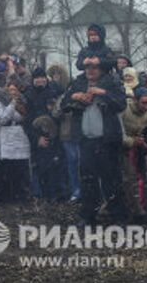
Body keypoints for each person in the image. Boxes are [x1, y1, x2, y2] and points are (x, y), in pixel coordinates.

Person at [62, 55, 127, 227]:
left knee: (111, 179)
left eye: (95, 67)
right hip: (85, 140)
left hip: (107, 140)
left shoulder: (111, 82)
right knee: (87, 179)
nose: (90, 70)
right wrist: (75, 96)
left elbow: (122, 104)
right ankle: (88, 216)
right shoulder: (77, 83)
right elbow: (64, 104)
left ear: (102, 69)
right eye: (87, 67)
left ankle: (118, 216)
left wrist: (103, 93)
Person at [24, 68, 64, 200]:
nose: (40, 80)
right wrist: (36, 138)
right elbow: (26, 121)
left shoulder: (53, 92)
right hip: (35, 135)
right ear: (33, 80)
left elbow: (58, 114)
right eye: (37, 78)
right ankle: (38, 194)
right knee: (37, 166)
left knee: (54, 165)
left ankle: (54, 194)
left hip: (53, 134)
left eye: (42, 77)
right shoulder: (28, 95)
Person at [0, 82, 31, 203]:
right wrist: (12, 104)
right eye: (10, 90)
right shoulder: (0, 103)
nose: (13, 92)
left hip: (21, 136)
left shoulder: (24, 103)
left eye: (15, 90)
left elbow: (25, 118)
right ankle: (4, 196)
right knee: (6, 167)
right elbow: (3, 119)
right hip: (6, 137)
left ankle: (20, 195)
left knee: (20, 168)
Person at [122, 87, 147, 220]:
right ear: (136, 101)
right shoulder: (124, 110)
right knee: (129, 179)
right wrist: (132, 141)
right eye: (144, 103)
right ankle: (131, 209)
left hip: (140, 149)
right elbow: (119, 132)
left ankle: (139, 207)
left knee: (140, 177)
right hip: (124, 150)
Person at [49, 65, 80, 202]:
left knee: (82, 164)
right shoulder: (63, 97)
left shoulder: (82, 97)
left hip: (81, 135)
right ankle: (75, 191)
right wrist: (64, 108)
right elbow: (55, 113)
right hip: (66, 135)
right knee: (71, 164)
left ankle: (84, 190)